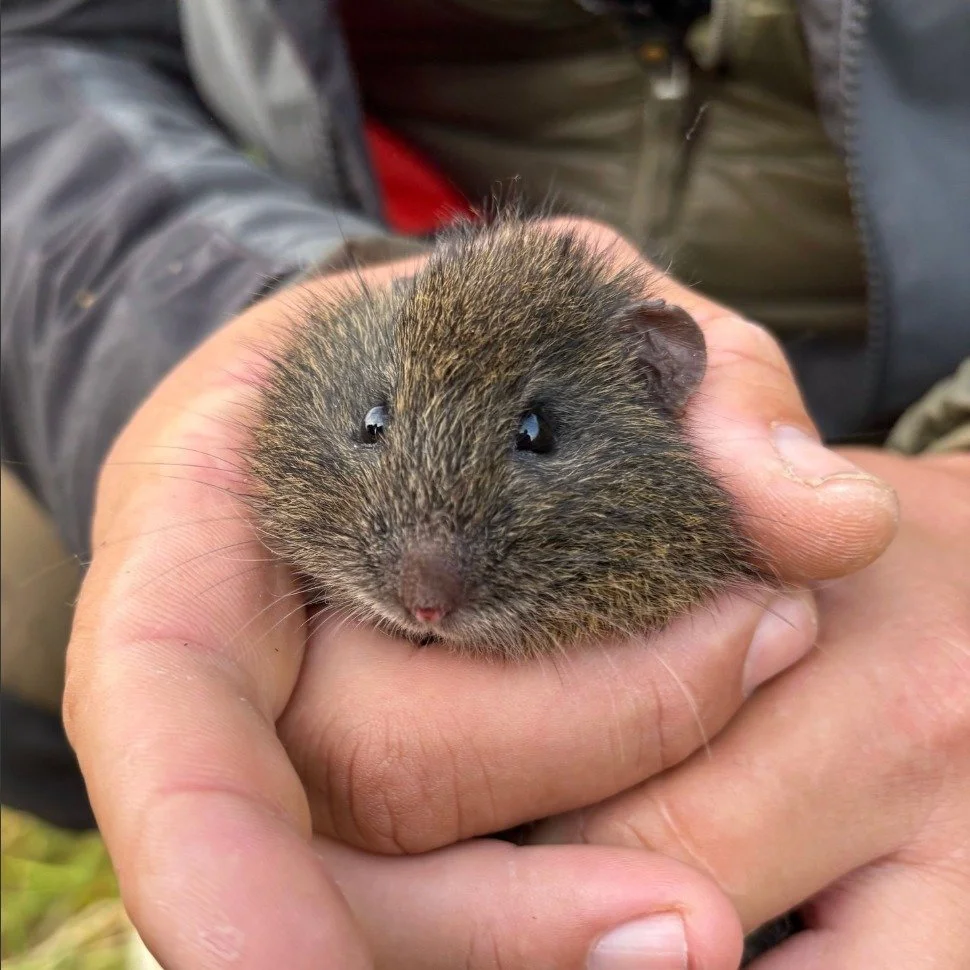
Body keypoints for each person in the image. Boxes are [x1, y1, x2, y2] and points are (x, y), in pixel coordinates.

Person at [1, 1, 967, 968]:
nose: (424, 580)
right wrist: (223, 305)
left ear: (659, 376)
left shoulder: (670, 479)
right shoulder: (337, 375)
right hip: (337, 230)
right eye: (378, 429)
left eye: (536, 438)